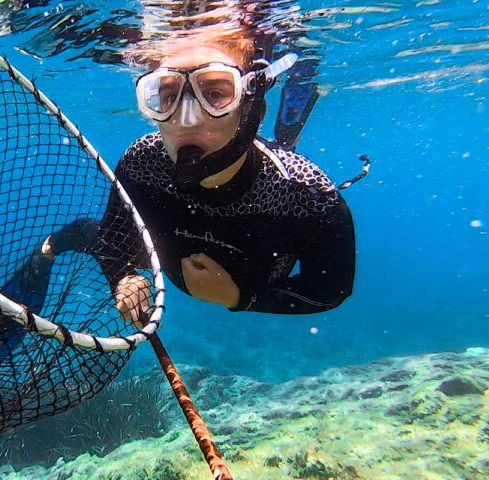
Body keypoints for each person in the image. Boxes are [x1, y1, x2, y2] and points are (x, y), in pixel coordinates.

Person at [94, 29, 356, 325]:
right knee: (95, 238)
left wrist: (239, 298)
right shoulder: (142, 162)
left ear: (251, 109)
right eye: (168, 96)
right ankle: (51, 248)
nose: (187, 119)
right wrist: (124, 277)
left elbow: (331, 290)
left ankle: (287, 135)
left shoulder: (306, 193)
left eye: (216, 94)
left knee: (283, 150)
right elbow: (112, 241)